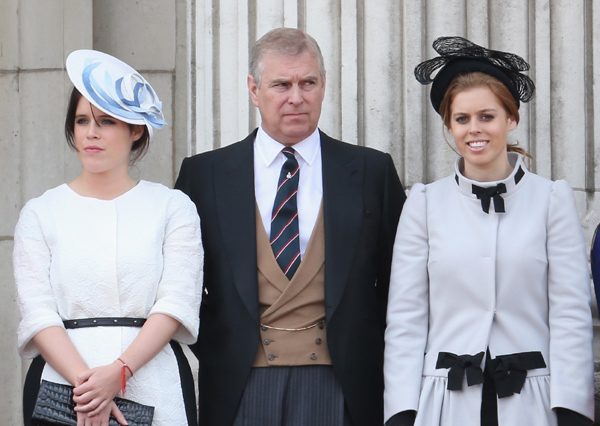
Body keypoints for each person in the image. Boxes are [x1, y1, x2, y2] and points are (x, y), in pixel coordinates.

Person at [175, 27, 406, 426]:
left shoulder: (371, 171)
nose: (296, 97)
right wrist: (222, 346)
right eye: (281, 84)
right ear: (253, 89)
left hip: (344, 383)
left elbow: (400, 285)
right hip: (238, 383)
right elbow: (180, 283)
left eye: (308, 83)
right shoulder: (204, 175)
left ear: (324, 84)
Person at [383, 36, 594, 426]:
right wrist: (401, 410)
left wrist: (573, 408)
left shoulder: (551, 200)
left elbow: (570, 313)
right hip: (445, 405)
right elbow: (406, 317)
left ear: (510, 119)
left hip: (534, 404)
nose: (474, 129)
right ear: (449, 124)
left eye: (487, 116)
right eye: (462, 119)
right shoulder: (424, 204)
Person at [14, 49, 203, 426]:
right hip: (62, 384)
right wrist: (88, 387)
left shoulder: (172, 207)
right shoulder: (41, 212)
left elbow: (176, 302)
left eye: (107, 121)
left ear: (136, 130)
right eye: (82, 120)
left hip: (153, 378)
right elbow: (37, 311)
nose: (91, 133)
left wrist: (117, 373)